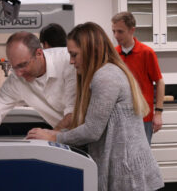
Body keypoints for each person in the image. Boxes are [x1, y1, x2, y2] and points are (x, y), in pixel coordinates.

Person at [26, 22, 164, 190]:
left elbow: (92, 130)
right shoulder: (105, 72)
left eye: (74, 55)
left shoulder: (105, 77)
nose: (71, 61)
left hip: (130, 177)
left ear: (91, 51)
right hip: (127, 171)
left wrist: (54, 137)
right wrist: (56, 134)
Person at [0, 31, 76, 140]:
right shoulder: (16, 80)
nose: (19, 73)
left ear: (39, 53)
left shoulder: (69, 62)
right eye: (14, 67)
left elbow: (74, 115)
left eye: (23, 65)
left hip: (87, 138)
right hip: (64, 139)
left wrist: (48, 137)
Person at [111, 11, 165, 145]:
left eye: (120, 31)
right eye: (114, 31)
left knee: (142, 157)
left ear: (132, 30)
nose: (116, 36)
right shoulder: (113, 54)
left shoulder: (146, 53)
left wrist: (158, 113)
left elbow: (159, 82)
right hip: (121, 117)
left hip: (143, 117)